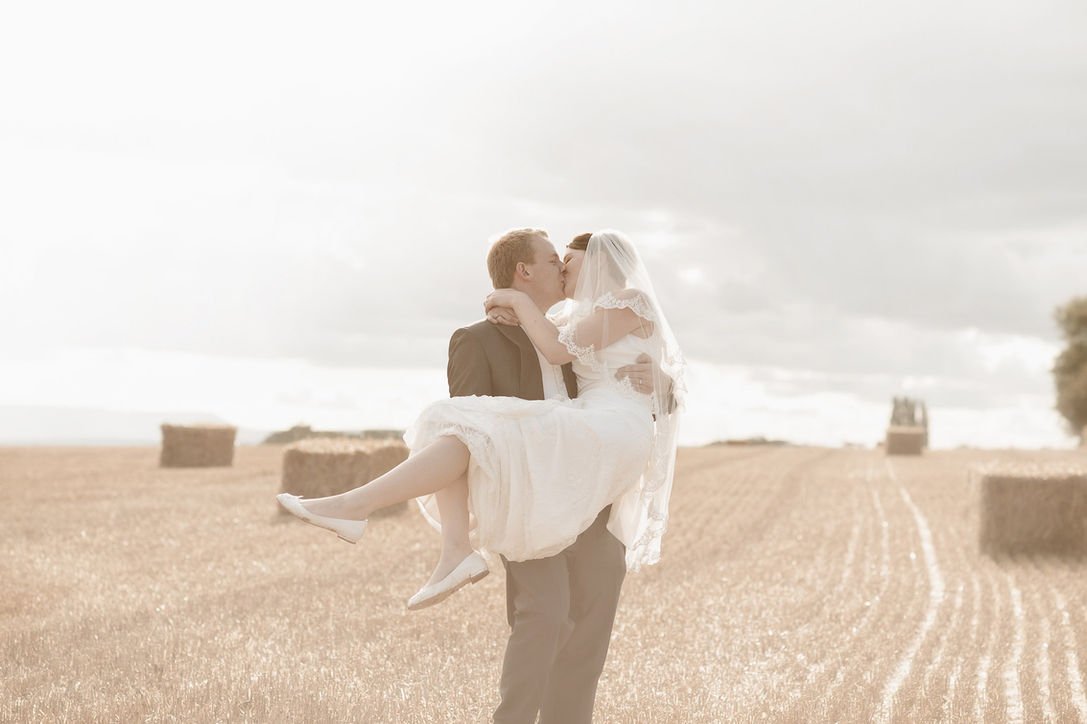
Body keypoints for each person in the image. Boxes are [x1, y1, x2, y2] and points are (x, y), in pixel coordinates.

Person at [278, 227, 685, 723]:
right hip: (534, 491)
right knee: (544, 615)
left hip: (597, 482)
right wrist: (512, 306)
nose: (563, 269)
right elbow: (471, 426)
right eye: (557, 261)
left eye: (570, 262)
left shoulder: (587, 316)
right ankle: (414, 535)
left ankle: (377, 517)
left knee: (589, 631)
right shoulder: (487, 336)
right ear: (525, 269)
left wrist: (663, 383)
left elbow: (643, 378)